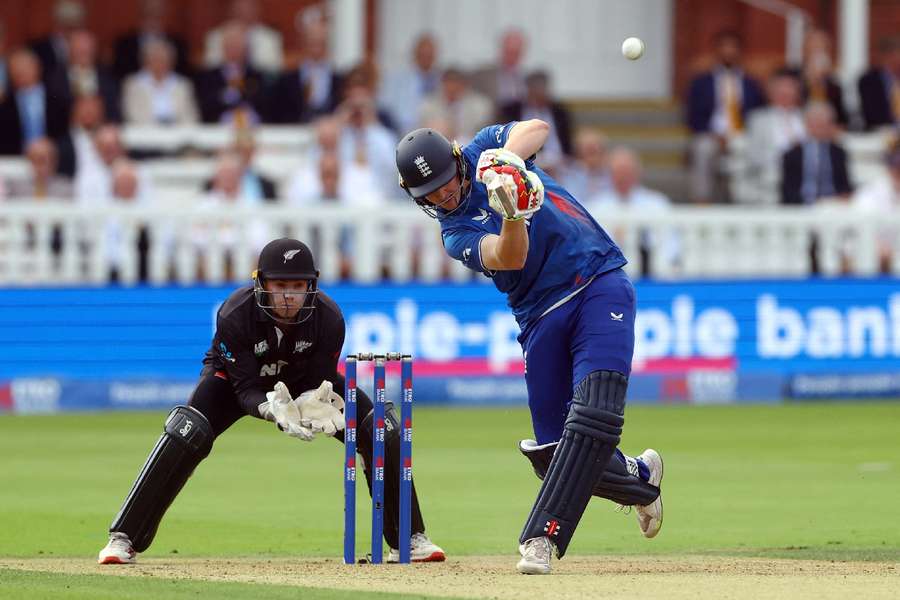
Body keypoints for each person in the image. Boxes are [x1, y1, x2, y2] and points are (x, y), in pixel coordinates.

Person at [395, 122, 663, 575]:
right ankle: (641, 481)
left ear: (459, 163)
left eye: (446, 184)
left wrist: (507, 164)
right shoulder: (454, 232)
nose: (444, 197)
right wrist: (513, 212)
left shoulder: (482, 150)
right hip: (539, 315)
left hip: (597, 280)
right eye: (430, 195)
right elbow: (509, 257)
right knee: (553, 455)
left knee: (595, 412)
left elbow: (537, 128)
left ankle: (541, 537)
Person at [98, 238, 445, 564]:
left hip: (304, 383)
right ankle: (124, 536)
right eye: (280, 286)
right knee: (187, 430)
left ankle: (409, 538)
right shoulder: (234, 314)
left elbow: (319, 379)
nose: (288, 297)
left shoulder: (329, 318)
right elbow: (244, 388)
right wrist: (270, 409)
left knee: (380, 428)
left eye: (297, 287)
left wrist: (310, 401)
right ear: (261, 283)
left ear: (311, 285)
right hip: (235, 383)